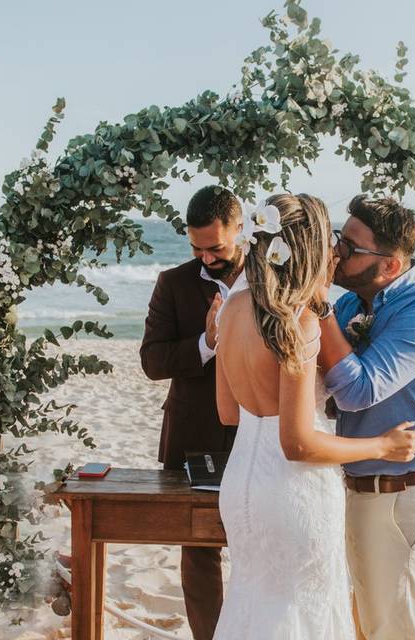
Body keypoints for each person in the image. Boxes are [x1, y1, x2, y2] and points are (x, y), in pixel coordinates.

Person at [212, 193, 415, 639]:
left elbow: (228, 413)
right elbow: (297, 443)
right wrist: (383, 445)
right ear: (309, 248)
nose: (335, 252)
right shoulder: (298, 322)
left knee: (252, 600)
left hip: (241, 488)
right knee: (299, 609)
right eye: (330, 240)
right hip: (293, 492)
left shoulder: (231, 310)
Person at [314, 195, 415, 640]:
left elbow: (358, 391)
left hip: (405, 494)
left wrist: (317, 305)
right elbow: (328, 388)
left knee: (392, 631)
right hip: (363, 488)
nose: (337, 252)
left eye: (351, 248)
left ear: (391, 266)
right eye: (340, 239)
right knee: (365, 627)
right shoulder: (351, 306)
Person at [139, 185, 247, 640]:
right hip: (193, 435)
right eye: (197, 248)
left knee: (256, 543)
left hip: (258, 433)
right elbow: (152, 361)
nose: (206, 258)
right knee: (199, 550)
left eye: (216, 247)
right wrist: (207, 343)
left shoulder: (272, 277)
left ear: (240, 230)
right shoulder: (173, 283)